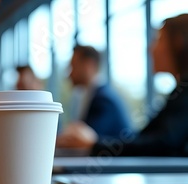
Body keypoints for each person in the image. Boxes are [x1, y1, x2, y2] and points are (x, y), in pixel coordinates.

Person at [58, 14, 188, 156]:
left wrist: (95, 144)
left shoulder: (103, 99)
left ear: (179, 43)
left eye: (158, 40)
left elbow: (164, 143)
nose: (151, 49)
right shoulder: (179, 93)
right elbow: (146, 138)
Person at [57, 45, 131, 146]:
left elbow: (83, 141)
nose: (69, 74)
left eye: (73, 66)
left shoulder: (104, 100)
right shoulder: (95, 95)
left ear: (88, 65)